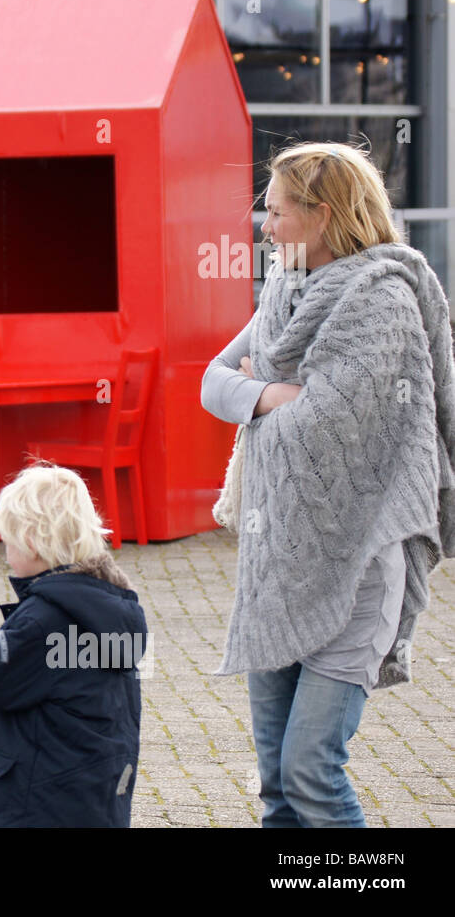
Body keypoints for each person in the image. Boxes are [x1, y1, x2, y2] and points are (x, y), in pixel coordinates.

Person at [201, 142, 455, 827]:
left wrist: (262, 393)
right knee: (276, 787)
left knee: (311, 771)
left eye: (277, 211)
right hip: (277, 568)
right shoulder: (284, 290)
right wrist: (274, 395)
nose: (264, 224)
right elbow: (212, 381)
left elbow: (328, 430)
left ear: (322, 214)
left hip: (358, 575)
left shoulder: (384, 306)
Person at [0, 463, 146, 828]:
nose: (6, 553)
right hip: (96, 788)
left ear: (31, 542)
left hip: (35, 796)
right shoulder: (115, 608)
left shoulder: (43, 618)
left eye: (9, 541)